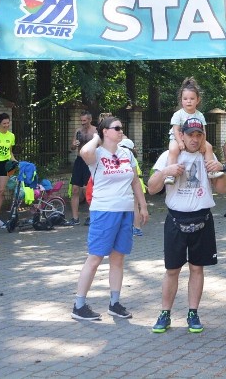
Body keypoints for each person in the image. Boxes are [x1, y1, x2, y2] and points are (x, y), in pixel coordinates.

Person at [147, 117, 226, 333]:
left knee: (196, 268)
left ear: (203, 137)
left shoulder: (208, 156)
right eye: (190, 134)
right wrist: (165, 172)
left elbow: (221, 189)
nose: (194, 139)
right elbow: (151, 188)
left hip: (202, 218)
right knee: (172, 269)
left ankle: (193, 313)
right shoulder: (169, 155)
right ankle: (165, 313)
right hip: (176, 219)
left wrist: (222, 169)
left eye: (198, 135)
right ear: (181, 135)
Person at [71, 116, 148, 321]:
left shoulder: (126, 154)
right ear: (105, 131)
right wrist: (97, 137)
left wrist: (143, 205)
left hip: (125, 211)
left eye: (122, 127)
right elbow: (83, 152)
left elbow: (134, 181)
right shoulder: (96, 153)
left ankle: (114, 303)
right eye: (117, 128)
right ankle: (79, 305)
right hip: (104, 211)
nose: (121, 131)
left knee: (118, 258)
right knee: (95, 257)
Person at [164, 77, 221, 185]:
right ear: (181, 100)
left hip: (195, 138)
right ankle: (170, 174)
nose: (188, 101)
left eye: (192, 98)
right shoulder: (178, 114)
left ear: (197, 100)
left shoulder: (199, 115)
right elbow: (176, 130)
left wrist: (203, 144)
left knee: (208, 147)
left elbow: (203, 131)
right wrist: (180, 142)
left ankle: (211, 171)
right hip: (177, 138)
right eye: (185, 99)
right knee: (173, 149)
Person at [68, 111, 96, 226]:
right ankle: (75, 218)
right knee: (75, 189)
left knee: (87, 189)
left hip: (90, 162)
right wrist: (74, 144)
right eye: (81, 121)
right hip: (79, 161)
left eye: (85, 120)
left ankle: (91, 216)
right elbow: (72, 147)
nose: (83, 123)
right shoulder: (78, 131)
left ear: (90, 120)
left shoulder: (95, 131)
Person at [117, 137, 148, 238]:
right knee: (135, 206)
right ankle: (136, 227)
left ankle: (137, 228)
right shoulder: (132, 157)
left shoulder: (127, 158)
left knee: (134, 207)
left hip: (134, 185)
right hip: (138, 184)